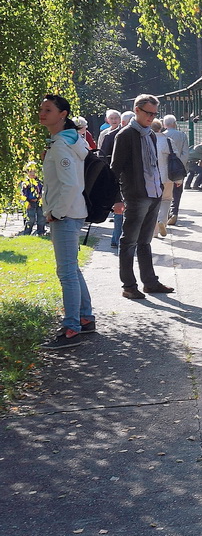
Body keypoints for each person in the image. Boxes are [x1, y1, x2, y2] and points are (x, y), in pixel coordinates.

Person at [38, 95, 94, 348]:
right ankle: (84, 318)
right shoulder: (69, 141)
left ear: (63, 114)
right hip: (73, 212)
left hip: (66, 214)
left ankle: (71, 328)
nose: (42, 113)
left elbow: (70, 184)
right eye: (41, 108)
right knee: (72, 269)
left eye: (48, 109)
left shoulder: (61, 145)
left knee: (66, 272)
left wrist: (56, 212)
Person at [110, 94, 174, 299]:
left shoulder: (151, 134)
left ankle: (150, 283)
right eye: (148, 113)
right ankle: (129, 286)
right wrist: (117, 199)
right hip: (136, 195)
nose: (152, 117)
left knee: (145, 242)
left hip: (154, 193)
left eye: (155, 114)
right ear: (137, 110)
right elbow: (115, 169)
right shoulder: (126, 135)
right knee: (128, 242)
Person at [102, 110, 134, 249]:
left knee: (120, 208)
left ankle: (117, 239)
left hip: (120, 176)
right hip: (119, 177)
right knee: (120, 208)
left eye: (117, 118)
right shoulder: (109, 135)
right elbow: (103, 156)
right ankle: (118, 238)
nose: (114, 120)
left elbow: (102, 157)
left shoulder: (112, 136)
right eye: (112, 118)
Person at [161, 114, 189, 223]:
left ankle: (166, 213)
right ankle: (174, 213)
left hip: (165, 170)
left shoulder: (162, 136)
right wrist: (180, 165)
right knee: (177, 192)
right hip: (178, 170)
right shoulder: (182, 135)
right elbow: (185, 153)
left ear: (164, 124)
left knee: (166, 194)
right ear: (174, 123)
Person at [20, 162, 46, 237]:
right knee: (30, 219)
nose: (32, 173)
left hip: (39, 201)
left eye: (34, 171)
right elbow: (24, 194)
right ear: (27, 172)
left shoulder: (39, 182)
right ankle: (27, 233)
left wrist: (41, 196)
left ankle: (41, 232)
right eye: (30, 171)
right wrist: (26, 202)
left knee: (41, 217)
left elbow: (42, 190)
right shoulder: (26, 183)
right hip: (30, 203)